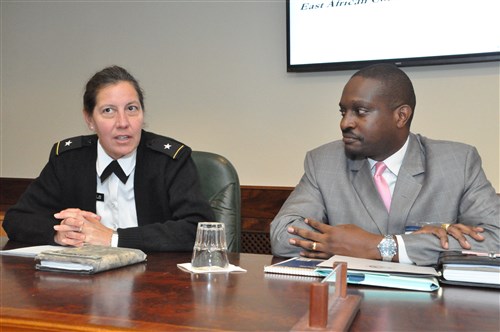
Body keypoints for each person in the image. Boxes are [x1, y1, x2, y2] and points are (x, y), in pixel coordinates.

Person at [270, 63, 499, 266]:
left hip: (433, 308)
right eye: (343, 111)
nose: (345, 123)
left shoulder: (457, 162)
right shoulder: (323, 162)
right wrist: (425, 241)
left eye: (360, 111)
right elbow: (282, 236)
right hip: (351, 297)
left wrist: (381, 246)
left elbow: (495, 240)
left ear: (401, 116)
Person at [3, 65, 215, 251]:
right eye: (108, 111)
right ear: (89, 119)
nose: (123, 122)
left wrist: (114, 238)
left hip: (156, 282)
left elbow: (198, 228)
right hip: (84, 287)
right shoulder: (69, 160)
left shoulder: (169, 160)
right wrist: (61, 233)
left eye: (132, 108)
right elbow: (16, 220)